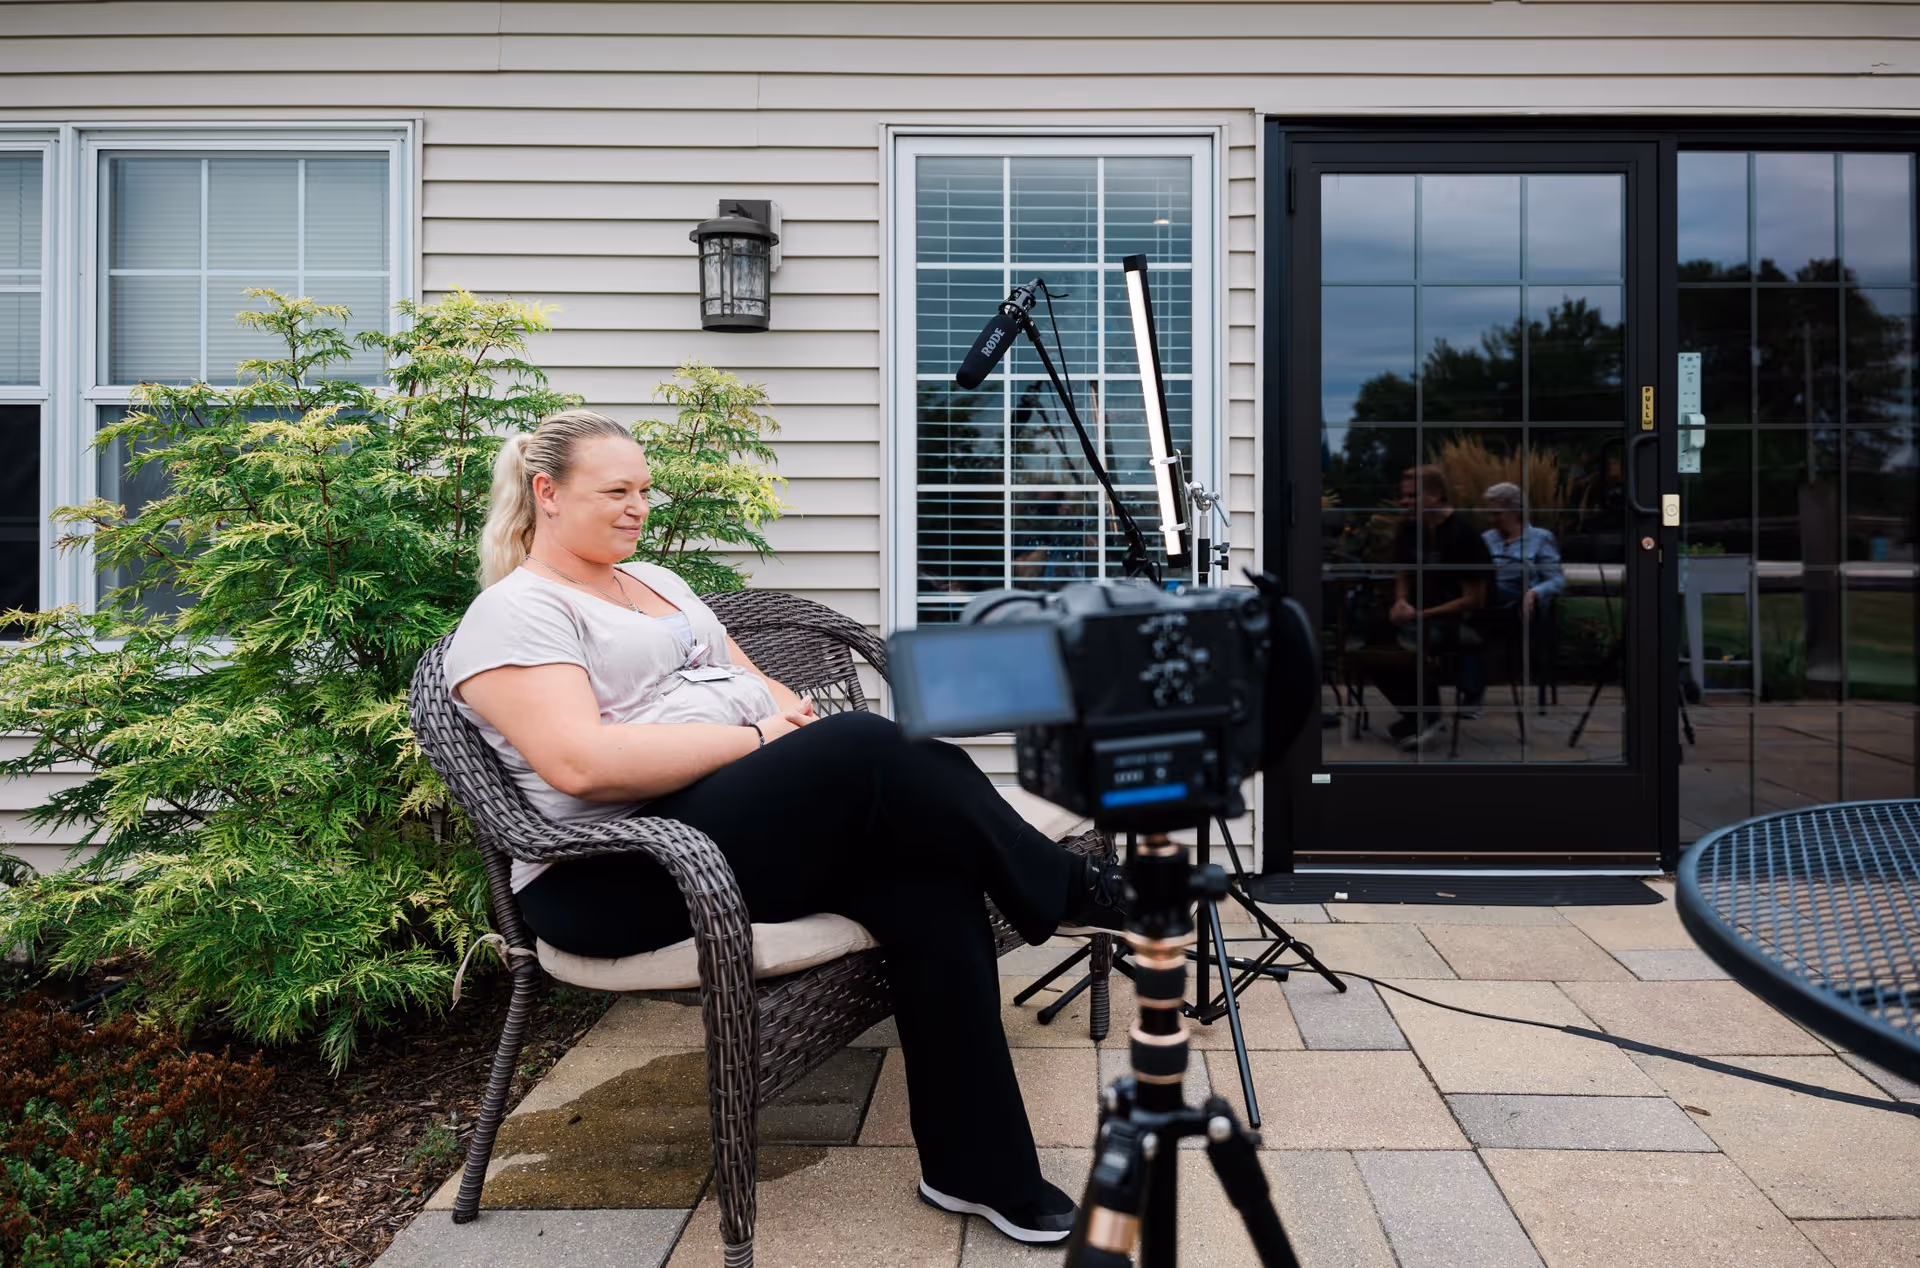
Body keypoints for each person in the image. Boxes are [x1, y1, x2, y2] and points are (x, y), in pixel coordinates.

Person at [443, 410, 1131, 1245]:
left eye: (645, 491)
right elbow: (582, 764)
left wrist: (769, 726)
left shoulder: (657, 581)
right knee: (867, 744)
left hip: (728, 829)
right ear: (546, 493)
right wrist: (759, 737)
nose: (638, 508)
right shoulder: (516, 613)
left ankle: (975, 1170)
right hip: (611, 871)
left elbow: (764, 686)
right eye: (615, 492)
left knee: (928, 884)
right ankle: (1066, 888)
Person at [1369, 465, 1491, 750]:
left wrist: (1420, 615)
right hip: (1420, 613)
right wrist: (1401, 601)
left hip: (1462, 618)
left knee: (1411, 641)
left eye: (1412, 496)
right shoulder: (1411, 528)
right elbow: (1403, 572)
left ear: (1435, 495)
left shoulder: (1463, 535)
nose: (1404, 503)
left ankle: (1428, 715)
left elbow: (1475, 599)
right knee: (1369, 643)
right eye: (1403, 496)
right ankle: (1416, 714)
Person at [1460, 481, 1566, 715]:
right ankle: (1471, 696)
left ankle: (1471, 698)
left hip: (1527, 607)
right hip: (1491, 604)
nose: (1491, 519)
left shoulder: (1540, 538)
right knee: (1471, 622)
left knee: (1472, 614)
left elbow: (1557, 580)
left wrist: (1534, 592)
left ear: (1515, 511)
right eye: (1490, 513)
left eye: (1497, 513)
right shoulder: (1487, 539)